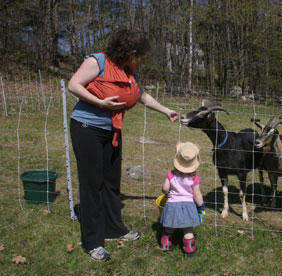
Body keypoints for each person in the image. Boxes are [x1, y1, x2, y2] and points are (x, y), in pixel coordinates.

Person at [68, 27, 179, 261]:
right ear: (131, 52)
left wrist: (165, 110)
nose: (142, 62)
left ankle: (113, 228)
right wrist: (100, 101)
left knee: (111, 182)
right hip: (87, 128)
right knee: (92, 185)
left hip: (112, 130)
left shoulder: (128, 72)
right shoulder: (97, 61)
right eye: (141, 57)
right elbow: (74, 85)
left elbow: (140, 95)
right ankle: (93, 241)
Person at [159, 142, 205, 256]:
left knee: (169, 226)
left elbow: (165, 188)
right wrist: (201, 207)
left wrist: (167, 193)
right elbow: (197, 195)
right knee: (188, 229)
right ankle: (189, 248)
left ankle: (165, 244)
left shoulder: (171, 174)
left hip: (172, 204)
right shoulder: (194, 178)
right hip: (188, 206)